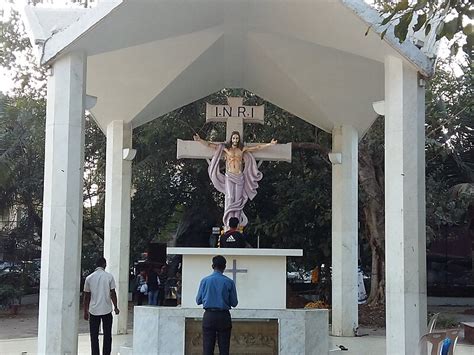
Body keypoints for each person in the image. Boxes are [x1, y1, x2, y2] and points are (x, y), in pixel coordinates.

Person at [194, 131, 276, 228]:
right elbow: (210, 145)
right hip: (229, 176)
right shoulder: (225, 149)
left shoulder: (242, 149)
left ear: (239, 139)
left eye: (237, 138)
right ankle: (228, 222)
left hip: (239, 176)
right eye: (234, 138)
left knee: (238, 199)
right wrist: (200, 140)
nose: (235, 140)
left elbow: (257, 148)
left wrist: (269, 144)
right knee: (230, 198)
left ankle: (236, 223)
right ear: (231, 139)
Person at [196, 255, 238, 355]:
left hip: (209, 316)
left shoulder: (205, 281)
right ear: (224, 267)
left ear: (212, 266)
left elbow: (198, 300)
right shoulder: (229, 282)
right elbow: (234, 303)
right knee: (224, 349)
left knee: (207, 348)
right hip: (224, 316)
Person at [83, 257, 120, 355]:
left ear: (96, 265)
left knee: (94, 336)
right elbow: (113, 293)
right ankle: (106, 353)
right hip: (106, 309)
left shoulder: (89, 278)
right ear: (104, 264)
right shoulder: (109, 277)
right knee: (107, 335)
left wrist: (85, 311)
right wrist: (115, 306)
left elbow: (86, 296)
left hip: (93, 310)